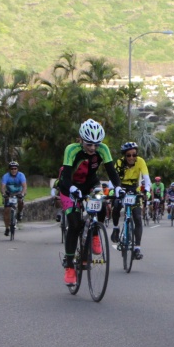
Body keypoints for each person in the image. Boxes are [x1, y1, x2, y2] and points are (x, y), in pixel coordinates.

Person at [58, 119, 122, 286]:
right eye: (89, 144)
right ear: (80, 139)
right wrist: (72, 189)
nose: (93, 148)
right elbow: (65, 176)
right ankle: (70, 266)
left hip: (90, 184)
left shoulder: (103, 149)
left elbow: (112, 172)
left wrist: (119, 188)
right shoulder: (71, 150)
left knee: (101, 203)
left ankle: (94, 234)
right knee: (74, 224)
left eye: (96, 144)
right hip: (69, 186)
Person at [113, 141, 151, 260]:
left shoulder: (140, 161)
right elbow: (113, 178)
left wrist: (147, 190)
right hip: (121, 187)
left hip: (134, 189)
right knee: (116, 205)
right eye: (128, 155)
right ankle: (115, 228)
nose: (131, 158)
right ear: (124, 155)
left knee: (138, 218)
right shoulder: (119, 163)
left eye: (134, 155)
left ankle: (137, 249)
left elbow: (146, 177)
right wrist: (111, 189)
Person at [0, 161, 28, 236]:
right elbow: (2, 187)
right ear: (9, 169)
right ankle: (7, 228)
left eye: (15, 168)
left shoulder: (21, 175)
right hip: (9, 193)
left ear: (17, 169)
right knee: (6, 211)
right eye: (12, 169)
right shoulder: (6, 176)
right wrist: (3, 194)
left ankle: (20, 212)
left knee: (20, 201)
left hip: (19, 192)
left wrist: (22, 194)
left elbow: (24, 186)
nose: (14, 170)